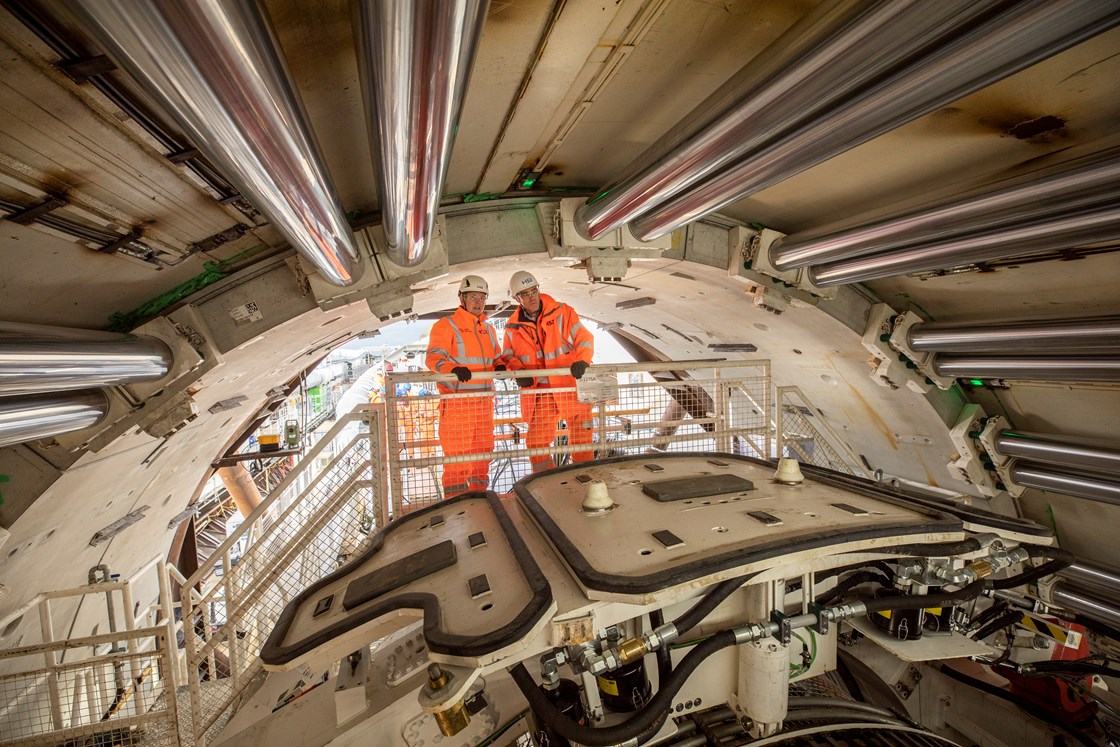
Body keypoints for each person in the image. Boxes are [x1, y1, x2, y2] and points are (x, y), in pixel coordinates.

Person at [502, 270, 595, 472]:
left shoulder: (563, 312)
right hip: (542, 391)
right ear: (518, 299)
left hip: (570, 386)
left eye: (534, 291)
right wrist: (518, 372)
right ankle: (546, 480)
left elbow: (584, 338)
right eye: (526, 294)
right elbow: (508, 356)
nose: (532, 297)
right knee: (535, 443)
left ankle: (584, 477)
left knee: (582, 438)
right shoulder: (511, 327)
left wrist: (582, 360)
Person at [425, 275, 508, 497]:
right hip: (458, 405)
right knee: (457, 459)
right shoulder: (447, 326)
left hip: (483, 404)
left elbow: (497, 357)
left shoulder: (489, 330)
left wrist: (501, 367)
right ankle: (456, 507)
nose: (478, 302)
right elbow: (434, 358)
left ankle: (480, 500)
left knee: (482, 455)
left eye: (482, 297)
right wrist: (452, 369)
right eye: (473, 297)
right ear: (461, 298)